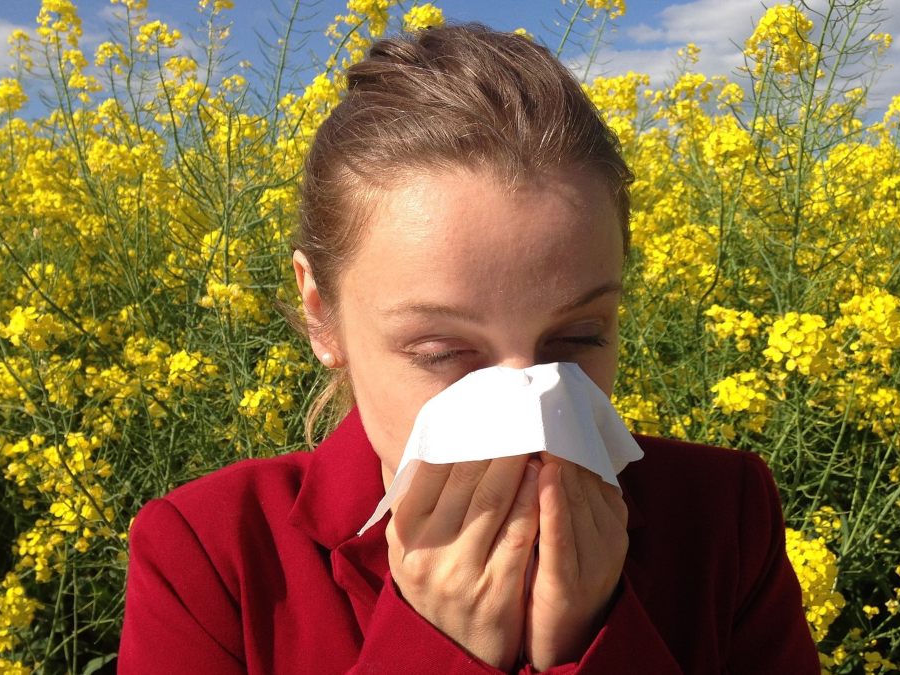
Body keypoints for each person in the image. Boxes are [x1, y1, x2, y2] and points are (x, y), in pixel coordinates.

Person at [118, 22, 820, 674]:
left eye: (577, 337)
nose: (529, 413)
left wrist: (594, 637)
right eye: (442, 350)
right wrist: (434, 649)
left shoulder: (722, 517)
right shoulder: (214, 557)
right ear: (321, 314)